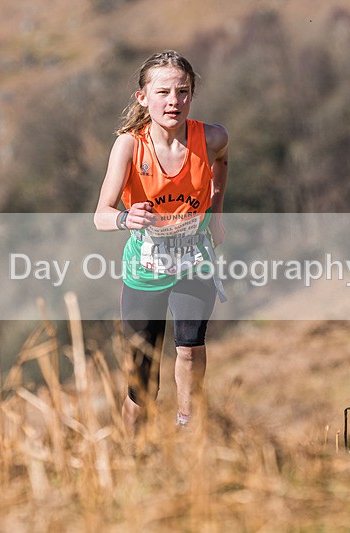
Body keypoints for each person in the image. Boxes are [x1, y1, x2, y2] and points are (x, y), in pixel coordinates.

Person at [93, 50, 229, 435]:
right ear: (143, 97)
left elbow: (221, 162)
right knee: (142, 384)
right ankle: (134, 452)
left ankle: (188, 429)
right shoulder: (129, 146)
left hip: (193, 260)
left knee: (190, 346)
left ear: (192, 94)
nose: (174, 102)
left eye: (183, 92)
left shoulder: (212, 137)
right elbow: (100, 214)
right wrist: (124, 218)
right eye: (163, 92)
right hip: (145, 269)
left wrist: (216, 212)